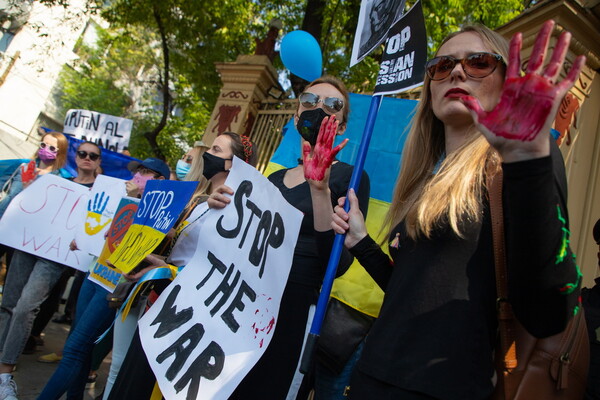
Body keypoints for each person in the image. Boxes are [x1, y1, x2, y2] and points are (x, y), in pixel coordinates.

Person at [331, 21, 585, 399]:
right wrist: (362, 241)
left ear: (505, 81)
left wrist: (528, 162)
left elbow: (548, 312)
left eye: (479, 62)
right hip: (370, 381)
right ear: (430, 89)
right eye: (442, 66)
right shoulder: (425, 181)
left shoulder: (518, 165)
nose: (458, 71)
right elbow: (411, 292)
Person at [209, 76, 370, 400]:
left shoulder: (351, 176)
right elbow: (238, 244)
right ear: (296, 116)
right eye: (310, 100)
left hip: (296, 308)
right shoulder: (273, 178)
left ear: (340, 126)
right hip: (245, 301)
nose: (319, 108)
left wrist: (319, 189)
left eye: (332, 104)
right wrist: (216, 208)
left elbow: (336, 264)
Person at [106, 132, 259, 399]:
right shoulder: (201, 203)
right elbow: (180, 255)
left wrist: (164, 268)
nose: (207, 155)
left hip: (182, 316)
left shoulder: (237, 213)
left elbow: (215, 272)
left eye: (216, 149)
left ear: (232, 164)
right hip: (159, 301)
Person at [37, 155, 170, 400]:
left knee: (75, 349)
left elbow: (148, 243)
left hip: (113, 285)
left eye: (144, 172)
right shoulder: (123, 201)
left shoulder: (163, 213)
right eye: (136, 171)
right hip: (94, 274)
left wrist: (136, 205)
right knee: (81, 349)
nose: (136, 176)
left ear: (160, 180)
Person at [0, 132, 71, 400]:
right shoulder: (23, 170)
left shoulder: (64, 181)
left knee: (23, 307)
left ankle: (6, 371)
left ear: (60, 152)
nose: (45, 150)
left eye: (52, 147)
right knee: (8, 303)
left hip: (44, 248)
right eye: (42, 145)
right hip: (18, 241)